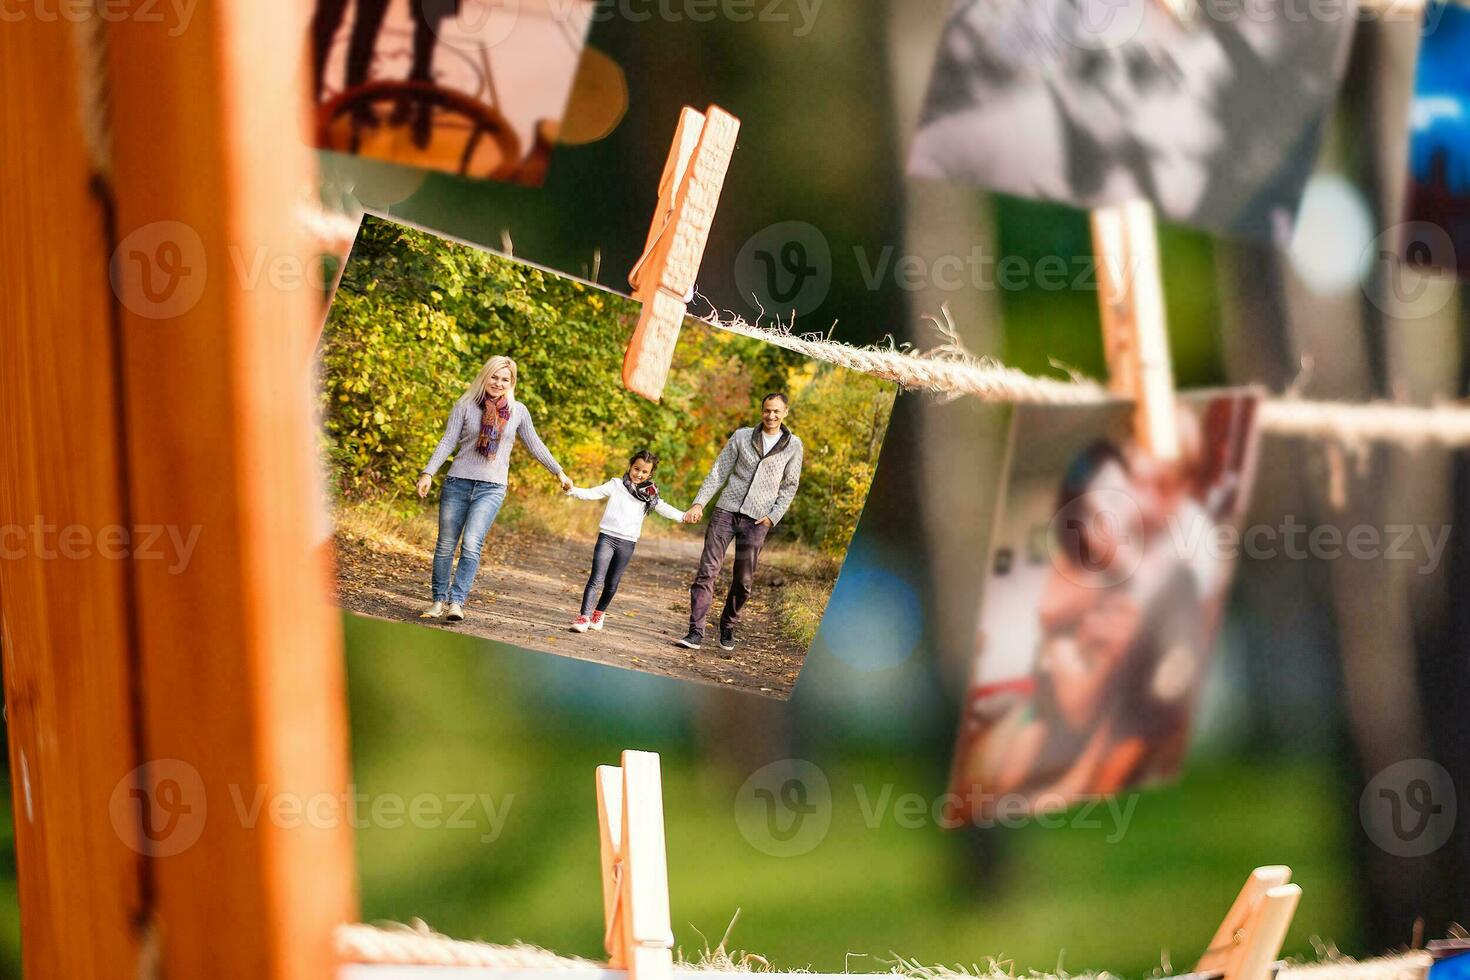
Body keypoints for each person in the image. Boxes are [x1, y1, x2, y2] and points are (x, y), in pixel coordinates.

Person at [416, 355, 572, 622]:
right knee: (445, 545)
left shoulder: (518, 411)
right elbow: (447, 441)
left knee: (472, 544)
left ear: (512, 383)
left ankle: (456, 602)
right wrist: (428, 472)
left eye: (505, 379)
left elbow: (536, 445)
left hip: (492, 488)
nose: (498, 383)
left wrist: (559, 471)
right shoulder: (464, 405)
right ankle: (438, 600)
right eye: (494, 377)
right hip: (457, 483)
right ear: (485, 376)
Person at [679, 393, 804, 655]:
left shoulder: (794, 445)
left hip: (757, 521)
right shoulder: (741, 436)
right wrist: (699, 502)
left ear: (786, 413)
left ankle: (727, 625)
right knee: (707, 571)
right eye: (767, 410)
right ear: (761, 411)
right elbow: (718, 472)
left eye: (776, 411)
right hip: (726, 511)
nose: (771, 416)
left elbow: (790, 486)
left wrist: (773, 516)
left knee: (744, 581)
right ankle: (696, 631)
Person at [564, 450, 692, 634]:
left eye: (644, 472)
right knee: (596, 579)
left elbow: (663, 508)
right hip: (606, 537)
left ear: (650, 474)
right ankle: (584, 617)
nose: (639, 474)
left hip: (627, 543)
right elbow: (592, 493)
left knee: (612, 583)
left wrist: (683, 516)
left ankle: (598, 614)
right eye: (636, 469)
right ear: (630, 466)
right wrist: (572, 490)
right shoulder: (616, 484)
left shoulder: (650, 494)